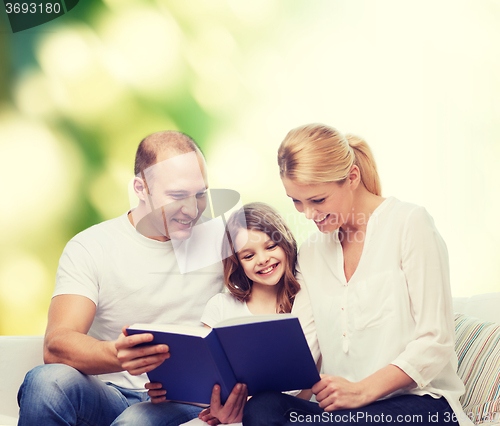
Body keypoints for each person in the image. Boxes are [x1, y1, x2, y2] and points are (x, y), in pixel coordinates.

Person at [242, 124, 472, 426]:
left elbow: (435, 342)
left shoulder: (409, 224)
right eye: (297, 201)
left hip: (421, 405)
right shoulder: (312, 252)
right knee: (263, 407)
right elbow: (304, 349)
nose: (307, 214)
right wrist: (241, 399)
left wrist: (362, 390)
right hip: (345, 414)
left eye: (318, 200)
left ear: (352, 177)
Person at [17, 131, 245, 426]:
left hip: (186, 402)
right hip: (109, 393)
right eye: (177, 196)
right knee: (46, 381)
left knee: (135, 422)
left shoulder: (223, 242)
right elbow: (56, 344)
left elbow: (268, 303)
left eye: (201, 194)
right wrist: (115, 355)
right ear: (141, 188)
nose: (192, 209)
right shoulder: (91, 246)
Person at [146, 202, 321, 425]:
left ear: (286, 243)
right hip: (224, 415)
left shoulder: (304, 305)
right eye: (248, 256)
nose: (262, 259)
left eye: (270, 246)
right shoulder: (221, 306)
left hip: (281, 415)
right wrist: (171, 390)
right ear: (237, 263)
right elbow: (207, 379)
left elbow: (305, 388)